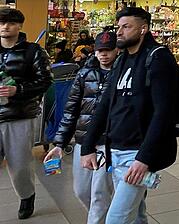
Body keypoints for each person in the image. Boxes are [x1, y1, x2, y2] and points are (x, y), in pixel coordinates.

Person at [81, 7, 178, 224]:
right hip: (115, 148)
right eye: (119, 27)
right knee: (136, 216)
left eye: (126, 27)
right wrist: (88, 145)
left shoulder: (158, 58)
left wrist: (145, 158)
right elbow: (106, 104)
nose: (120, 32)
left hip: (136, 154)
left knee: (116, 218)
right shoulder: (123, 58)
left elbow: (163, 112)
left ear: (144, 29)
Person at [46, 31, 119, 224]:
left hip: (108, 142)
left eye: (108, 50)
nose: (104, 54)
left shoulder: (123, 74)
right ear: (94, 51)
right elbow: (70, 111)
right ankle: (111, 215)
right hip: (83, 141)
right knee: (81, 191)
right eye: (100, 50)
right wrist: (59, 143)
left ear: (117, 50)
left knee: (99, 194)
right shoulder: (84, 74)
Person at [0, 8, 54, 220]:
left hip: (20, 116)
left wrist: (18, 90)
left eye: (11, 22)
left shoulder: (34, 51)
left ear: (20, 26)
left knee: (20, 165)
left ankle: (26, 196)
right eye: (2, 22)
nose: (5, 26)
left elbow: (46, 81)